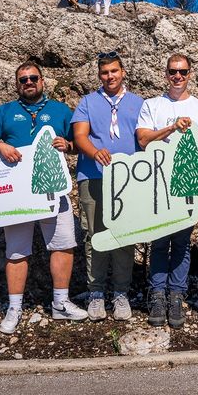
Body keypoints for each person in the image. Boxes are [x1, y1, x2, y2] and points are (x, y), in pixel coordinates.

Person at [0, 61, 88, 334]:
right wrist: (1, 145)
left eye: (33, 78)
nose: (28, 82)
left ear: (43, 81)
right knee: (16, 251)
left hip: (54, 187)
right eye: (23, 79)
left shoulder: (61, 110)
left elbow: (80, 142)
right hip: (18, 193)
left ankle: (61, 304)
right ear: (17, 84)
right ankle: (14, 307)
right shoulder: (5, 111)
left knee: (63, 244)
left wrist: (69, 145)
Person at [136, 54, 198, 328]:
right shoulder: (152, 105)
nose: (178, 77)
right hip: (158, 184)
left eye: (183, 72)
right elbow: (143, 140)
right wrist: (171, 127)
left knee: (182, 243)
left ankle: (176, 295)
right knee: (159, 241)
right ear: (165, 73)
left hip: (188, 186)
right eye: (173, 72)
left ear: (190, 74)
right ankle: (158, 293)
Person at [72, 52, 144, 321]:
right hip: (93, 176)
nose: (110, 76)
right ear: (99, 75)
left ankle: (121, 293)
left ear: (122, 72)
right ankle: (96, 292)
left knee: (124, 234)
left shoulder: (139, 103)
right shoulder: (88, 102)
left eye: (114, 71)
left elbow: (145, 137)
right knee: (95, 235)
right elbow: (79, 136)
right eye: (104, 73)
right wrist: (94, 152)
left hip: (128, 179)